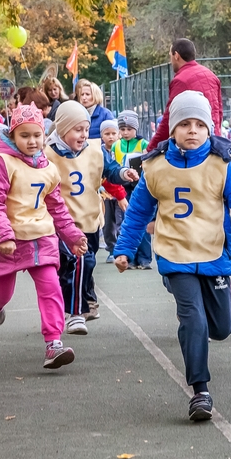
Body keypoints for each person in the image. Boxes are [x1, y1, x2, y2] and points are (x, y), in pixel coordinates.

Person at [114, 90, 231, 421]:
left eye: (199, 124)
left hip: (214, 253)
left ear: (209, 130)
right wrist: (124, 249)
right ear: (173, 129)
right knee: (192, 317)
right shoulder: (156, 167)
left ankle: (214, 323)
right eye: (185, 124)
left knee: (222, 328)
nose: (192, 130)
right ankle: (200, 390)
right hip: (175, 254)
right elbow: (138, 212)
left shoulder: (222, 165)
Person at [0, 103, 88, 369]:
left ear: (45, 135)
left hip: (42, 235)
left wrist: (72, 236)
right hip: (9, 239)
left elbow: (57, 207)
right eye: (24, 135)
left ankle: (53, 343)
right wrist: (4, 235)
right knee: (4, 294)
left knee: (50, 286)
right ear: (13, 135)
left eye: (37, 135)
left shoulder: (49, 167)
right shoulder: (2, 162)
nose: (32, 141)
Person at [44, 101, 138, 335]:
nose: (83, 134)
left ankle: (84, 297)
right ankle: (76, 312)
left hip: (89, 219)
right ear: (63, 129)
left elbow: (111, 171)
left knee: (86, 263)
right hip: (60, 223)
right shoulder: (46, 154)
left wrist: (123, 174)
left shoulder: (95, 150)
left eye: (86, 129)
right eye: (77, 129)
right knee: (77, 261)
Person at [148, 38, 223, 151]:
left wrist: (151, 149)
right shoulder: (211, 75)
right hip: (213, 141)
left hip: (193, 145)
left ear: (176, 55)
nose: (171, 60)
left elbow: (169, 118)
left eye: (170, 55)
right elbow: (219, 112)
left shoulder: (181, 80)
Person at [112, 110, 152, 269]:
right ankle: (130, 258)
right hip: (123, 187)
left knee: (142, 220)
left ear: (136, 128)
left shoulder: (143, 144)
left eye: (129, 129)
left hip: (139, 185)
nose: (126, 132)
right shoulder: (116, 145)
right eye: (122, 129)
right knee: (126, 221)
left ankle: (145, 258)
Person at [99, 119, 128, 264]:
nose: (110, 136)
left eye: (113, 133)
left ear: (118, 135)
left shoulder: (120, 150)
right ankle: (111, 248)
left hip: (119, 190)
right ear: (101, 136)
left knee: (120, 219)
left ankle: (121, 249)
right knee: (107, 222)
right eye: (107, 133)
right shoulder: (100, 152)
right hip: (105, 192)